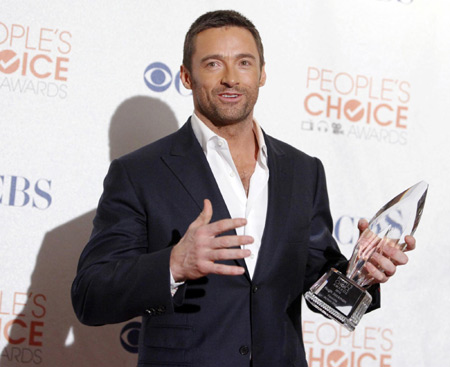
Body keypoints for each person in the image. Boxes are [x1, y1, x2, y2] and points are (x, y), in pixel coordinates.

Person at [71, 10, 415, 367]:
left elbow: (320, 292)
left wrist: (361, 274)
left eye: (244, 63)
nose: (231, 79)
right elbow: (89, 296)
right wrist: (173, 264)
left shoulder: (303, 171)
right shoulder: (139, 173)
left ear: (262, 73)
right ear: (187, 77)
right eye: (213, 64)